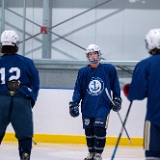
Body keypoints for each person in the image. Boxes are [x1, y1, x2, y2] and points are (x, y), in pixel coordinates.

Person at [69, 44, 122, 160]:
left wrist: (117, 98)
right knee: (89, 130)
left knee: (99, 129)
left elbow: (115, 85)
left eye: (95, 53)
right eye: (90, 54)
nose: (93, 56)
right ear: (87, 56)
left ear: (99, 55)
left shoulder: (108, 69)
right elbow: (78, 88)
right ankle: (91, 153)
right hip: (88, 105)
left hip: (102, 105)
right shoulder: (83, 71)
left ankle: (98, 154)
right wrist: (75, 103)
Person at [0, 30, 40, 160]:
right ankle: (25, 156)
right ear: (16, 43)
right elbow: (35, 84)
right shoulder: (27, 62)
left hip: (1, 101)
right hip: (21, 101)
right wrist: (30, 101)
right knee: (25, 135)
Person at [124, 28, 160, 160]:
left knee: (153, 155)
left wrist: (129, 90)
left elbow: (137, 94)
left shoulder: (145, 65)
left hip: (155, 120)